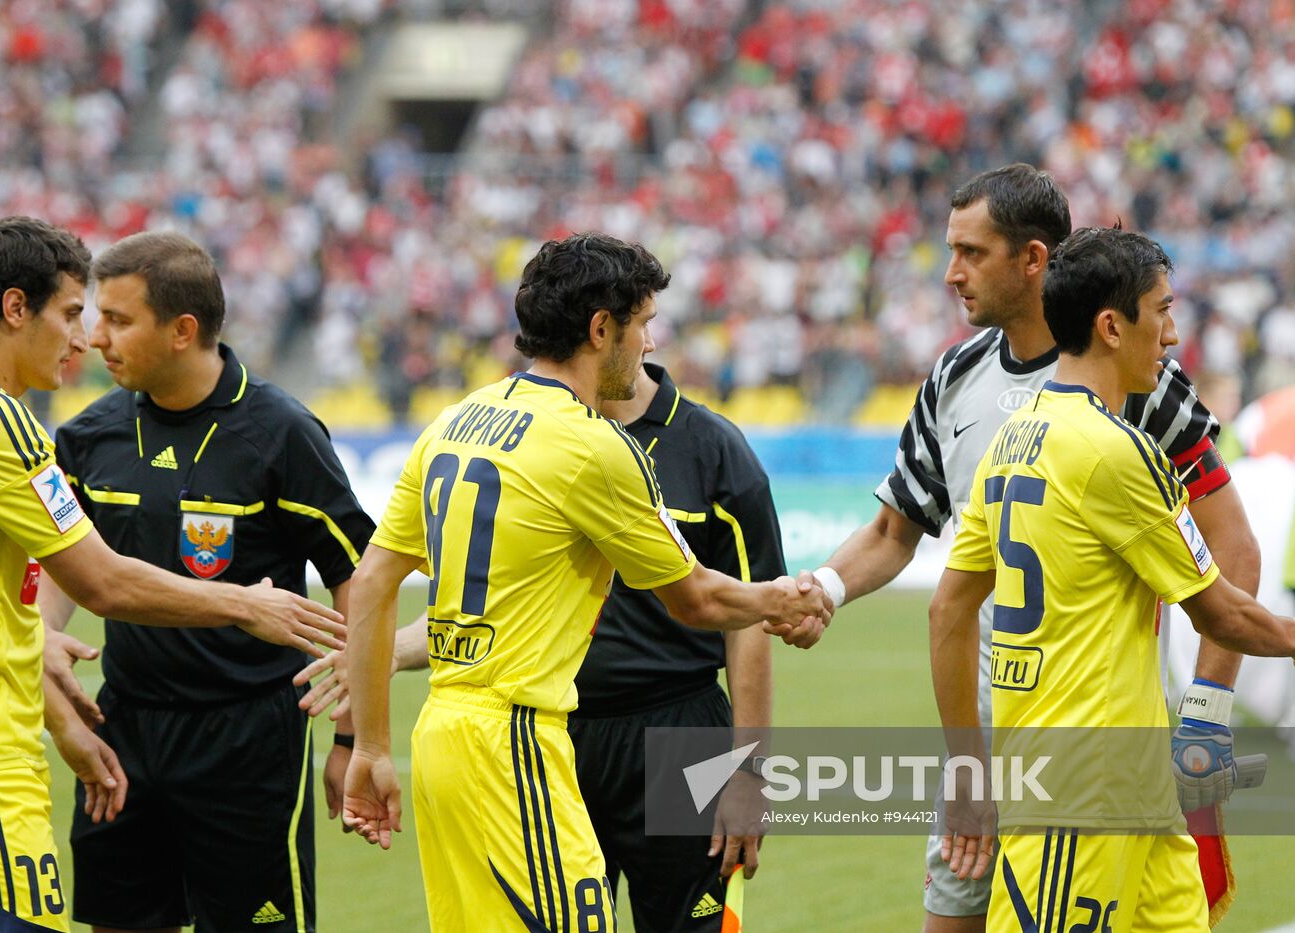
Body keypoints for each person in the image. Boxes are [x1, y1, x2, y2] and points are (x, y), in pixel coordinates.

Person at [807, 164, 1259, 932]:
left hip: (1095, 756)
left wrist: (1208, 714)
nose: (951, 273)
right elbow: (893, 530)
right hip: (979, 747)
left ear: (1034, 259)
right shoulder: (954, 376)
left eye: (971, 252)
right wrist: (822, 587)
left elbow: (1233, 546)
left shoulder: (1136, 374)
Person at [336, 232, 828, 932]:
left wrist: (371, 744)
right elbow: (697, 598)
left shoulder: (456, 421)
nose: (649, 342)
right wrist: (779, 598)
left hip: (457, 731)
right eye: (642, 323)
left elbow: (372, 581)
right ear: (601, 329)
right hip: (524, 738)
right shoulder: (593, 444)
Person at [0, 217, 344, 932]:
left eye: (105, 318)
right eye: (73, 314)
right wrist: (242, 604)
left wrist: (51, 693)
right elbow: (99, 581)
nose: (84, 340)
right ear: (16, 309)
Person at [929, 225, 1295, 933]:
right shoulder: (1114, 452)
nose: (1171, 334)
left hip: (1127, 789)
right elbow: (1222, 613)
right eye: (1161, 311)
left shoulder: (1012, 439)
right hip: (1079, 794)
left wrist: (968, 768)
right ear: (1110, 326)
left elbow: (948, 609)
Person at [36, 230, 374, 933]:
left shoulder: (281, 432)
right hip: (123, 727)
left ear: (182, 330)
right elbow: (68, 558)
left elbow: (355, 577)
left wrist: (352, 737)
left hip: (247, 737)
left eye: (119, 320)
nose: (96, 338)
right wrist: (44, 632)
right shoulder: (88, 435)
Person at [384, 360, 781, 930]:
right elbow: (495, 599)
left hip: (680, 735)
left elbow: (749, 617)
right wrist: (389, 652)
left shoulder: (712, 448)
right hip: (549, 737)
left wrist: (750, 771)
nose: (644, 336)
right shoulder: (529, 438)